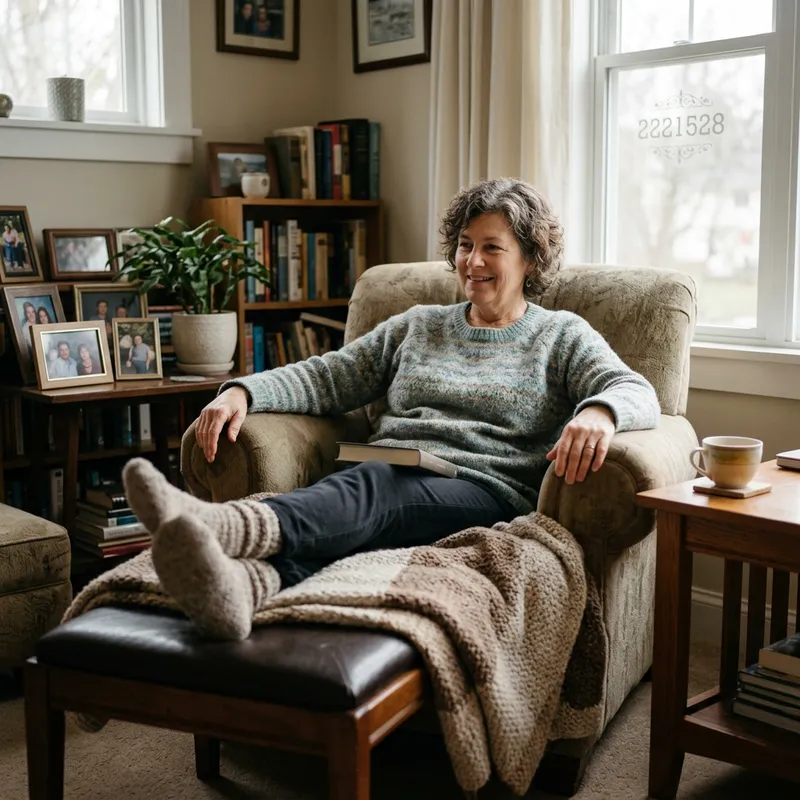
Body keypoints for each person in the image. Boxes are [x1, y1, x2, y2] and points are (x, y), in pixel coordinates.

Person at [123, 177, 661, 642]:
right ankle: (240, 590)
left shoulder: (559, 335)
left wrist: (600, 412)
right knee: (364, 500)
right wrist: (243, 391)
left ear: (530, 258)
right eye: (464, 244)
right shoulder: (419, 324)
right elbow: (330, 375)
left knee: (379, 481)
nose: (472, 261)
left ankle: (223, 526)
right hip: (390, 474)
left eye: (491, 248)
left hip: (483, 491)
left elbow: (636, 389)